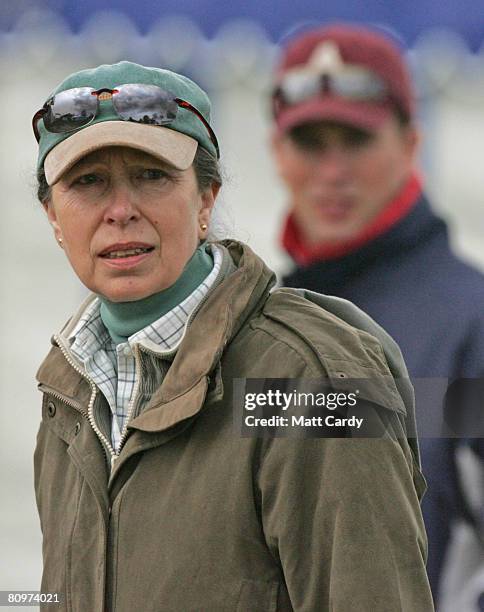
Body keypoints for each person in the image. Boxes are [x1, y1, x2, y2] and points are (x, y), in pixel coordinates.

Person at [33, 60, 434, 611]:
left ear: (205, 200)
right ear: (54, 218)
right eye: (88, 182)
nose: (120, 211)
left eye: (152, 176)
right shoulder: (68, 397)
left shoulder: (313, 383)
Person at [269, 23, 484, 607]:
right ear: (275, 151)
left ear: (412, 144)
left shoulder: (472, 326)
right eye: (311, 142)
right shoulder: (257, 328)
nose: (333, 171)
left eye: (357, 140)